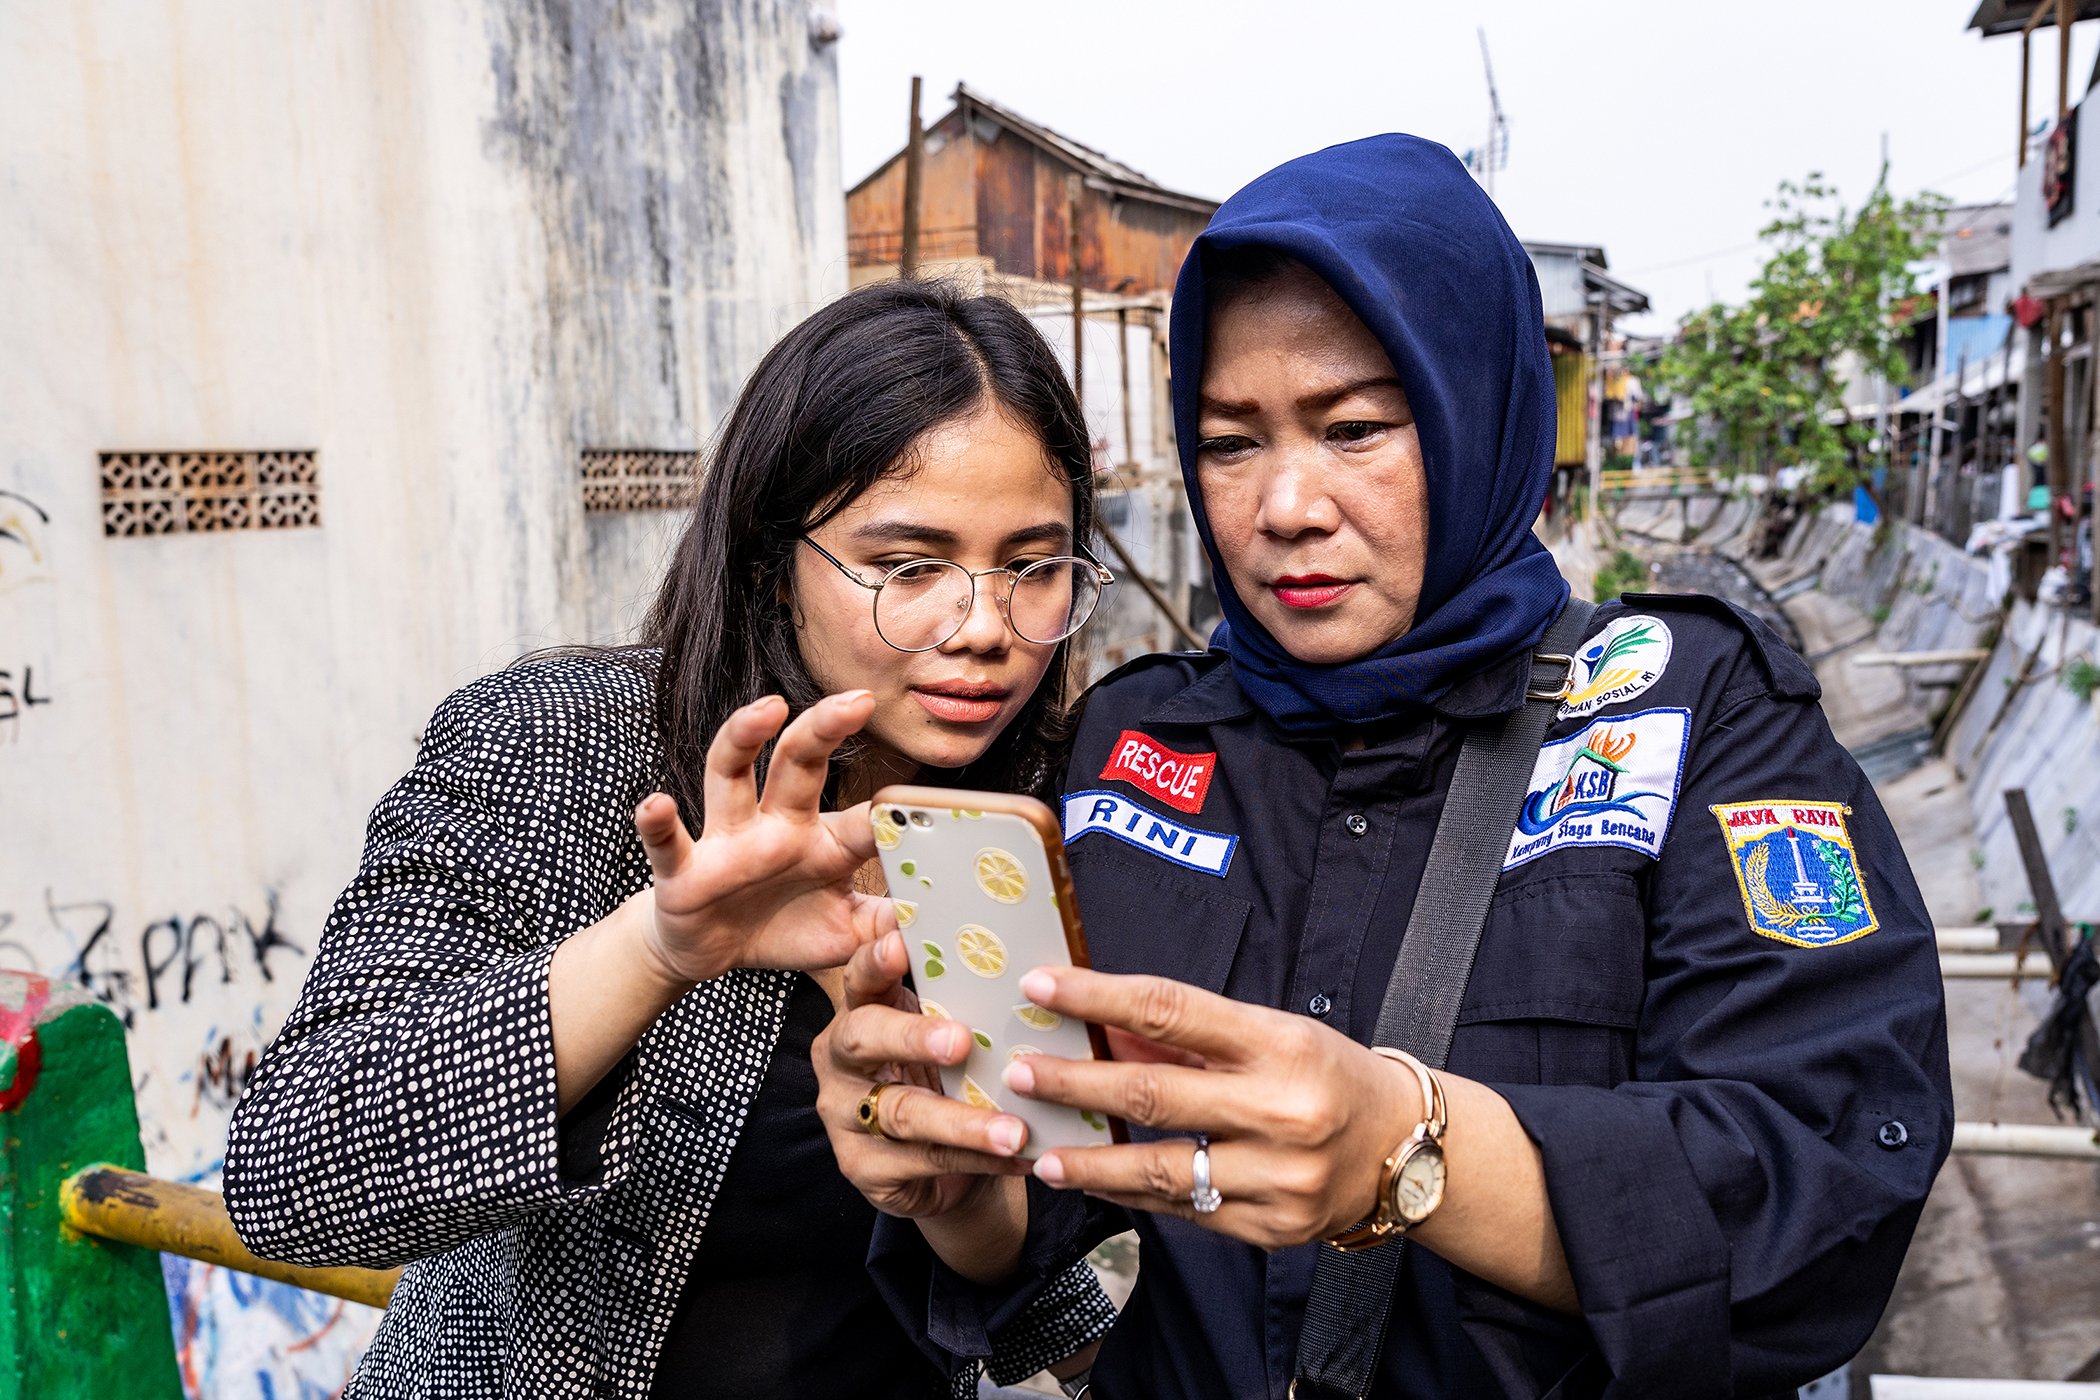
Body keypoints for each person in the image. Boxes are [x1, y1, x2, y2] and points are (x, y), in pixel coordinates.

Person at [816, 137, 1953, 1398]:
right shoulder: (1130, 748)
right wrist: (965, 1194)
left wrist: (1408, 1145)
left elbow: (1830, 1176)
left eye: (1354, 426)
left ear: (1477, 406)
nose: (1286, 504)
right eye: (1231, 441)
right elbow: (1060, 1276)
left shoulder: (1695, 712)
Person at [224, 279, 1117, 1399]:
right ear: (768, 561)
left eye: (1033, 566)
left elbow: (963, 1193)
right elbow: (292, 1174)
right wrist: (655, 949)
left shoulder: (1026, 828)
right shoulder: (562, 747)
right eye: (906, 567)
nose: (984, 625)